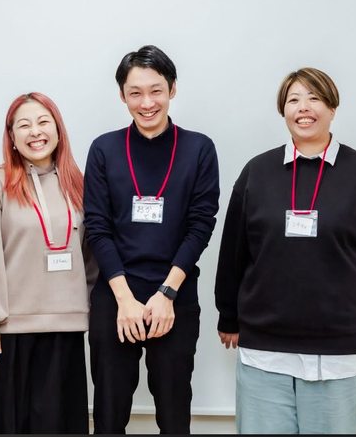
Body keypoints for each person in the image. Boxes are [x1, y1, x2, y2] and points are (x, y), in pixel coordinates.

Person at [215, 67, 356, 434]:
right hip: (265, 352)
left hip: (338, 352)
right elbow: (234, 251)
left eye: (314, 98)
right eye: (293, 100)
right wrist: (228, 315)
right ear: (283, 110)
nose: (303, 108)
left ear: (332, 108)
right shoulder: (257, 172)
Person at [83, 45, 220, 434]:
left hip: (174, 293)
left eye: (156, 90)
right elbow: (97, 226)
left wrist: (167, 293)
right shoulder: (104, 149)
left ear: (172, 89)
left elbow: (200, 225)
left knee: (174, 414)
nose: (147, 103)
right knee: (109, 414)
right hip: (116, 294)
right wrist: (124, 300)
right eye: (136, 93)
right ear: (122, 95)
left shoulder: (198, 148)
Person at [0, 92, 97, 434]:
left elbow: (91, 255)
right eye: (24, 125)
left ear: (58, 130)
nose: (35, 132)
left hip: (63, 332)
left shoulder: (78, 184)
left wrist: (90, 308)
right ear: (12, 136)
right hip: (4, 334)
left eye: (44, 122)